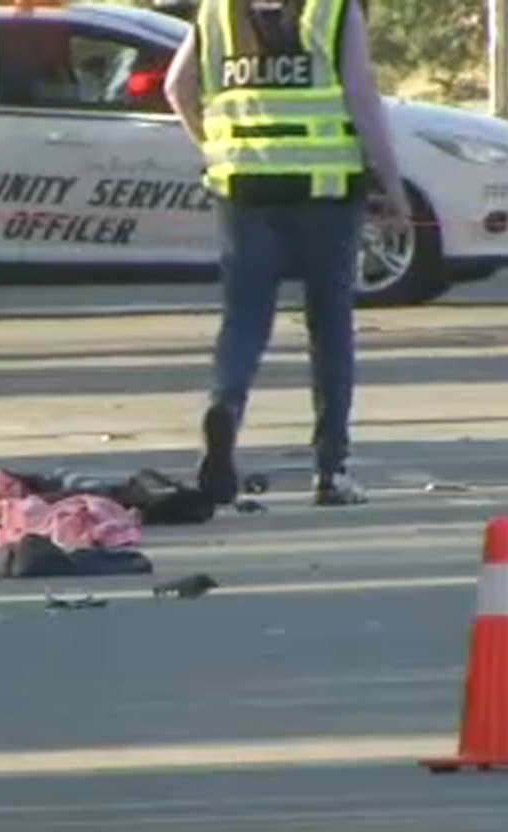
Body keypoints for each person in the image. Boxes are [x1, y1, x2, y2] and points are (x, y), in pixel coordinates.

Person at [164, 0, 408, 507]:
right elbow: (362, 98)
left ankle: (225, 408)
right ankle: (331, 469)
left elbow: (176, 87)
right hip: (325, 193)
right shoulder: (335, 11)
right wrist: (393, 186)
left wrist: (213, 146)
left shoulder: (217, 12)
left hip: (245, 189)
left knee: (245, 321)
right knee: (330, 327)